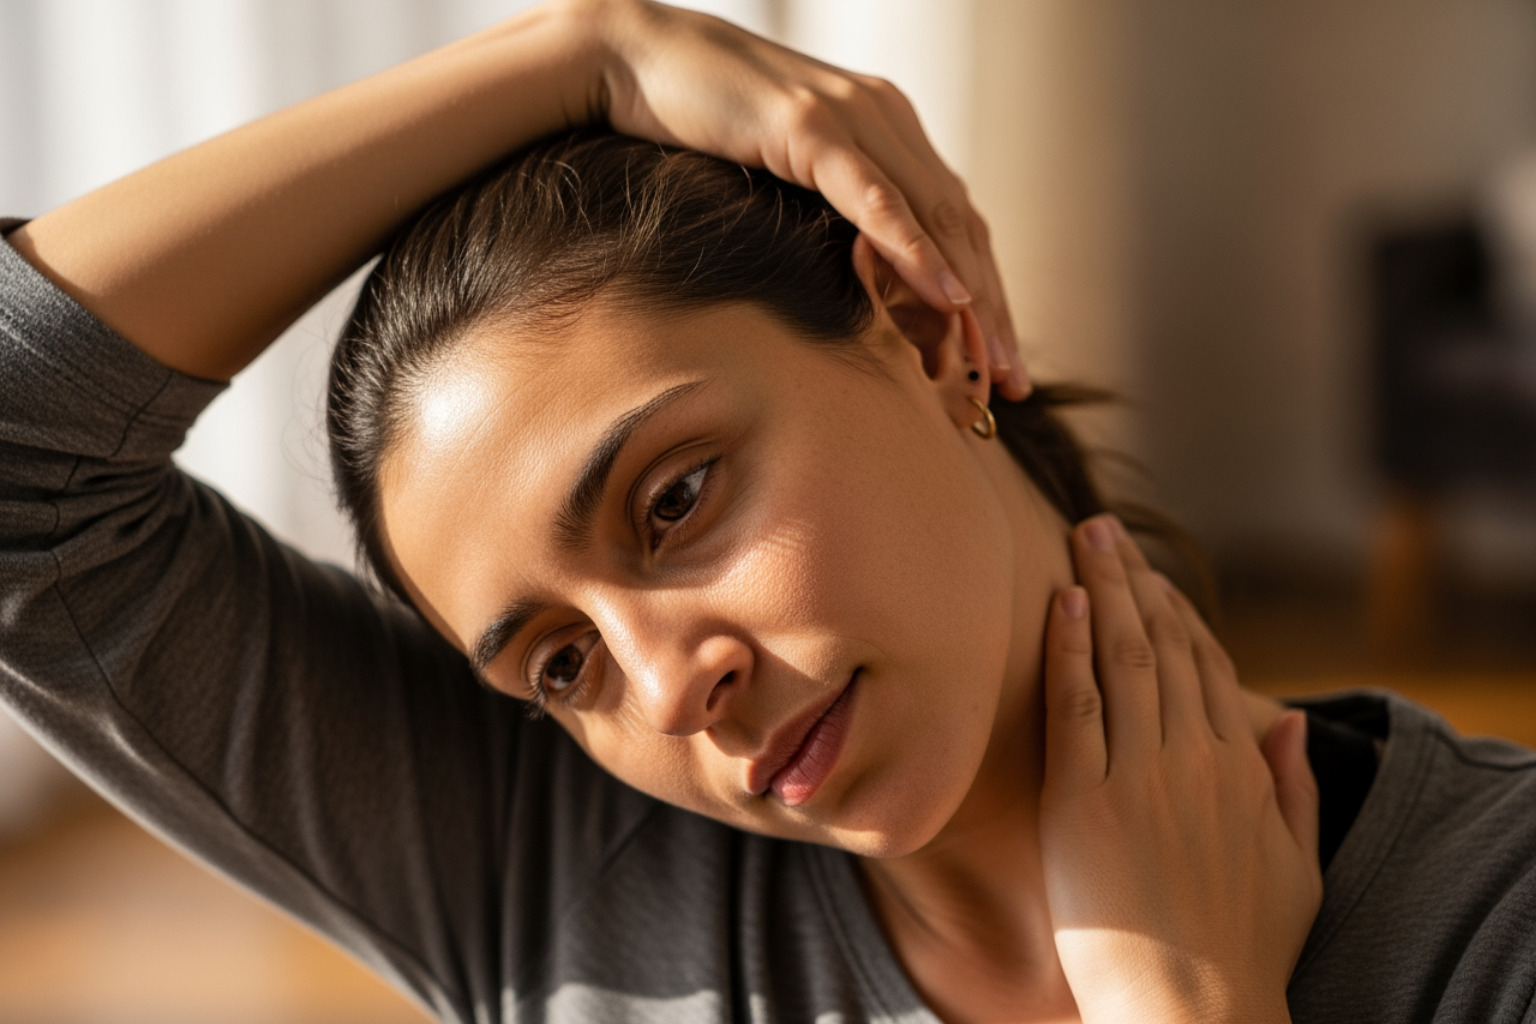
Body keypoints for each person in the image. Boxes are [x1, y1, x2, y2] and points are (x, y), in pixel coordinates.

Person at [1, 2, 1533, 1022]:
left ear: (932, 335)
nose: (671, 688)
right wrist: (573, 49)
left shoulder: (1490, 915)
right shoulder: (557, 882)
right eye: (559, 666)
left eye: (672, 501)